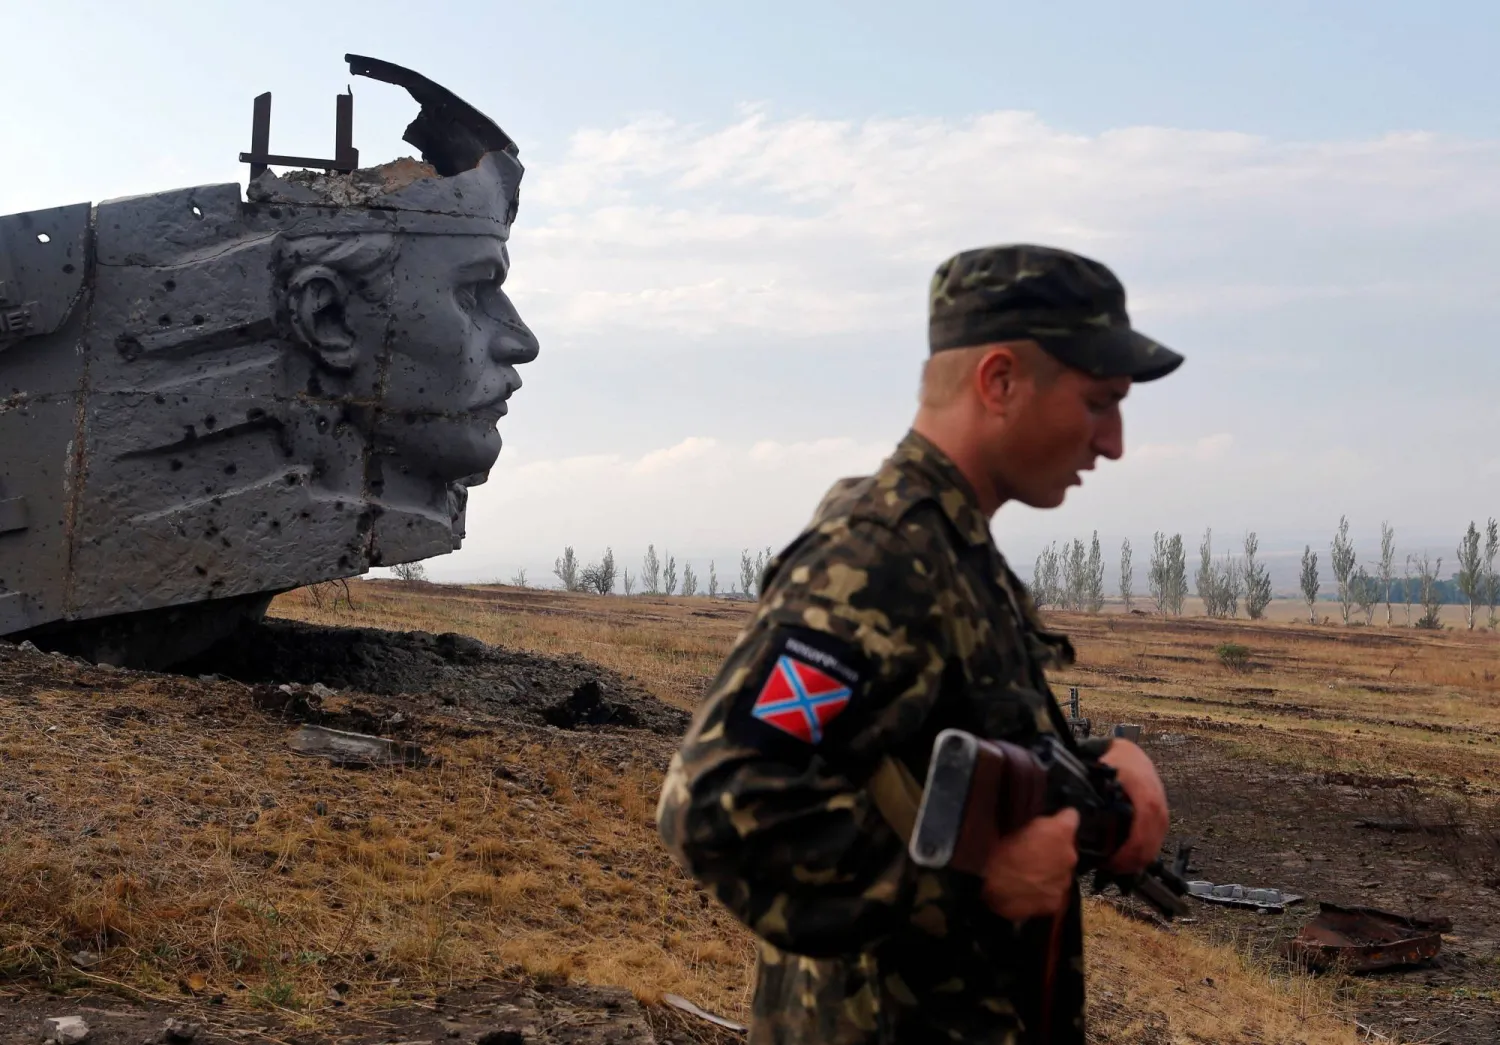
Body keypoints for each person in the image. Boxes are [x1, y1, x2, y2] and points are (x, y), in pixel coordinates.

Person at [656, 244, 1182, 1044]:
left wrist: (1099, 761)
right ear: (999, 381)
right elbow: (723, 801)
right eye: (1099, 401)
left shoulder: (952, 552)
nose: (1112, 441)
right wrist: (968, 881)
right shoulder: (878, 556)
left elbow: (932, 755)